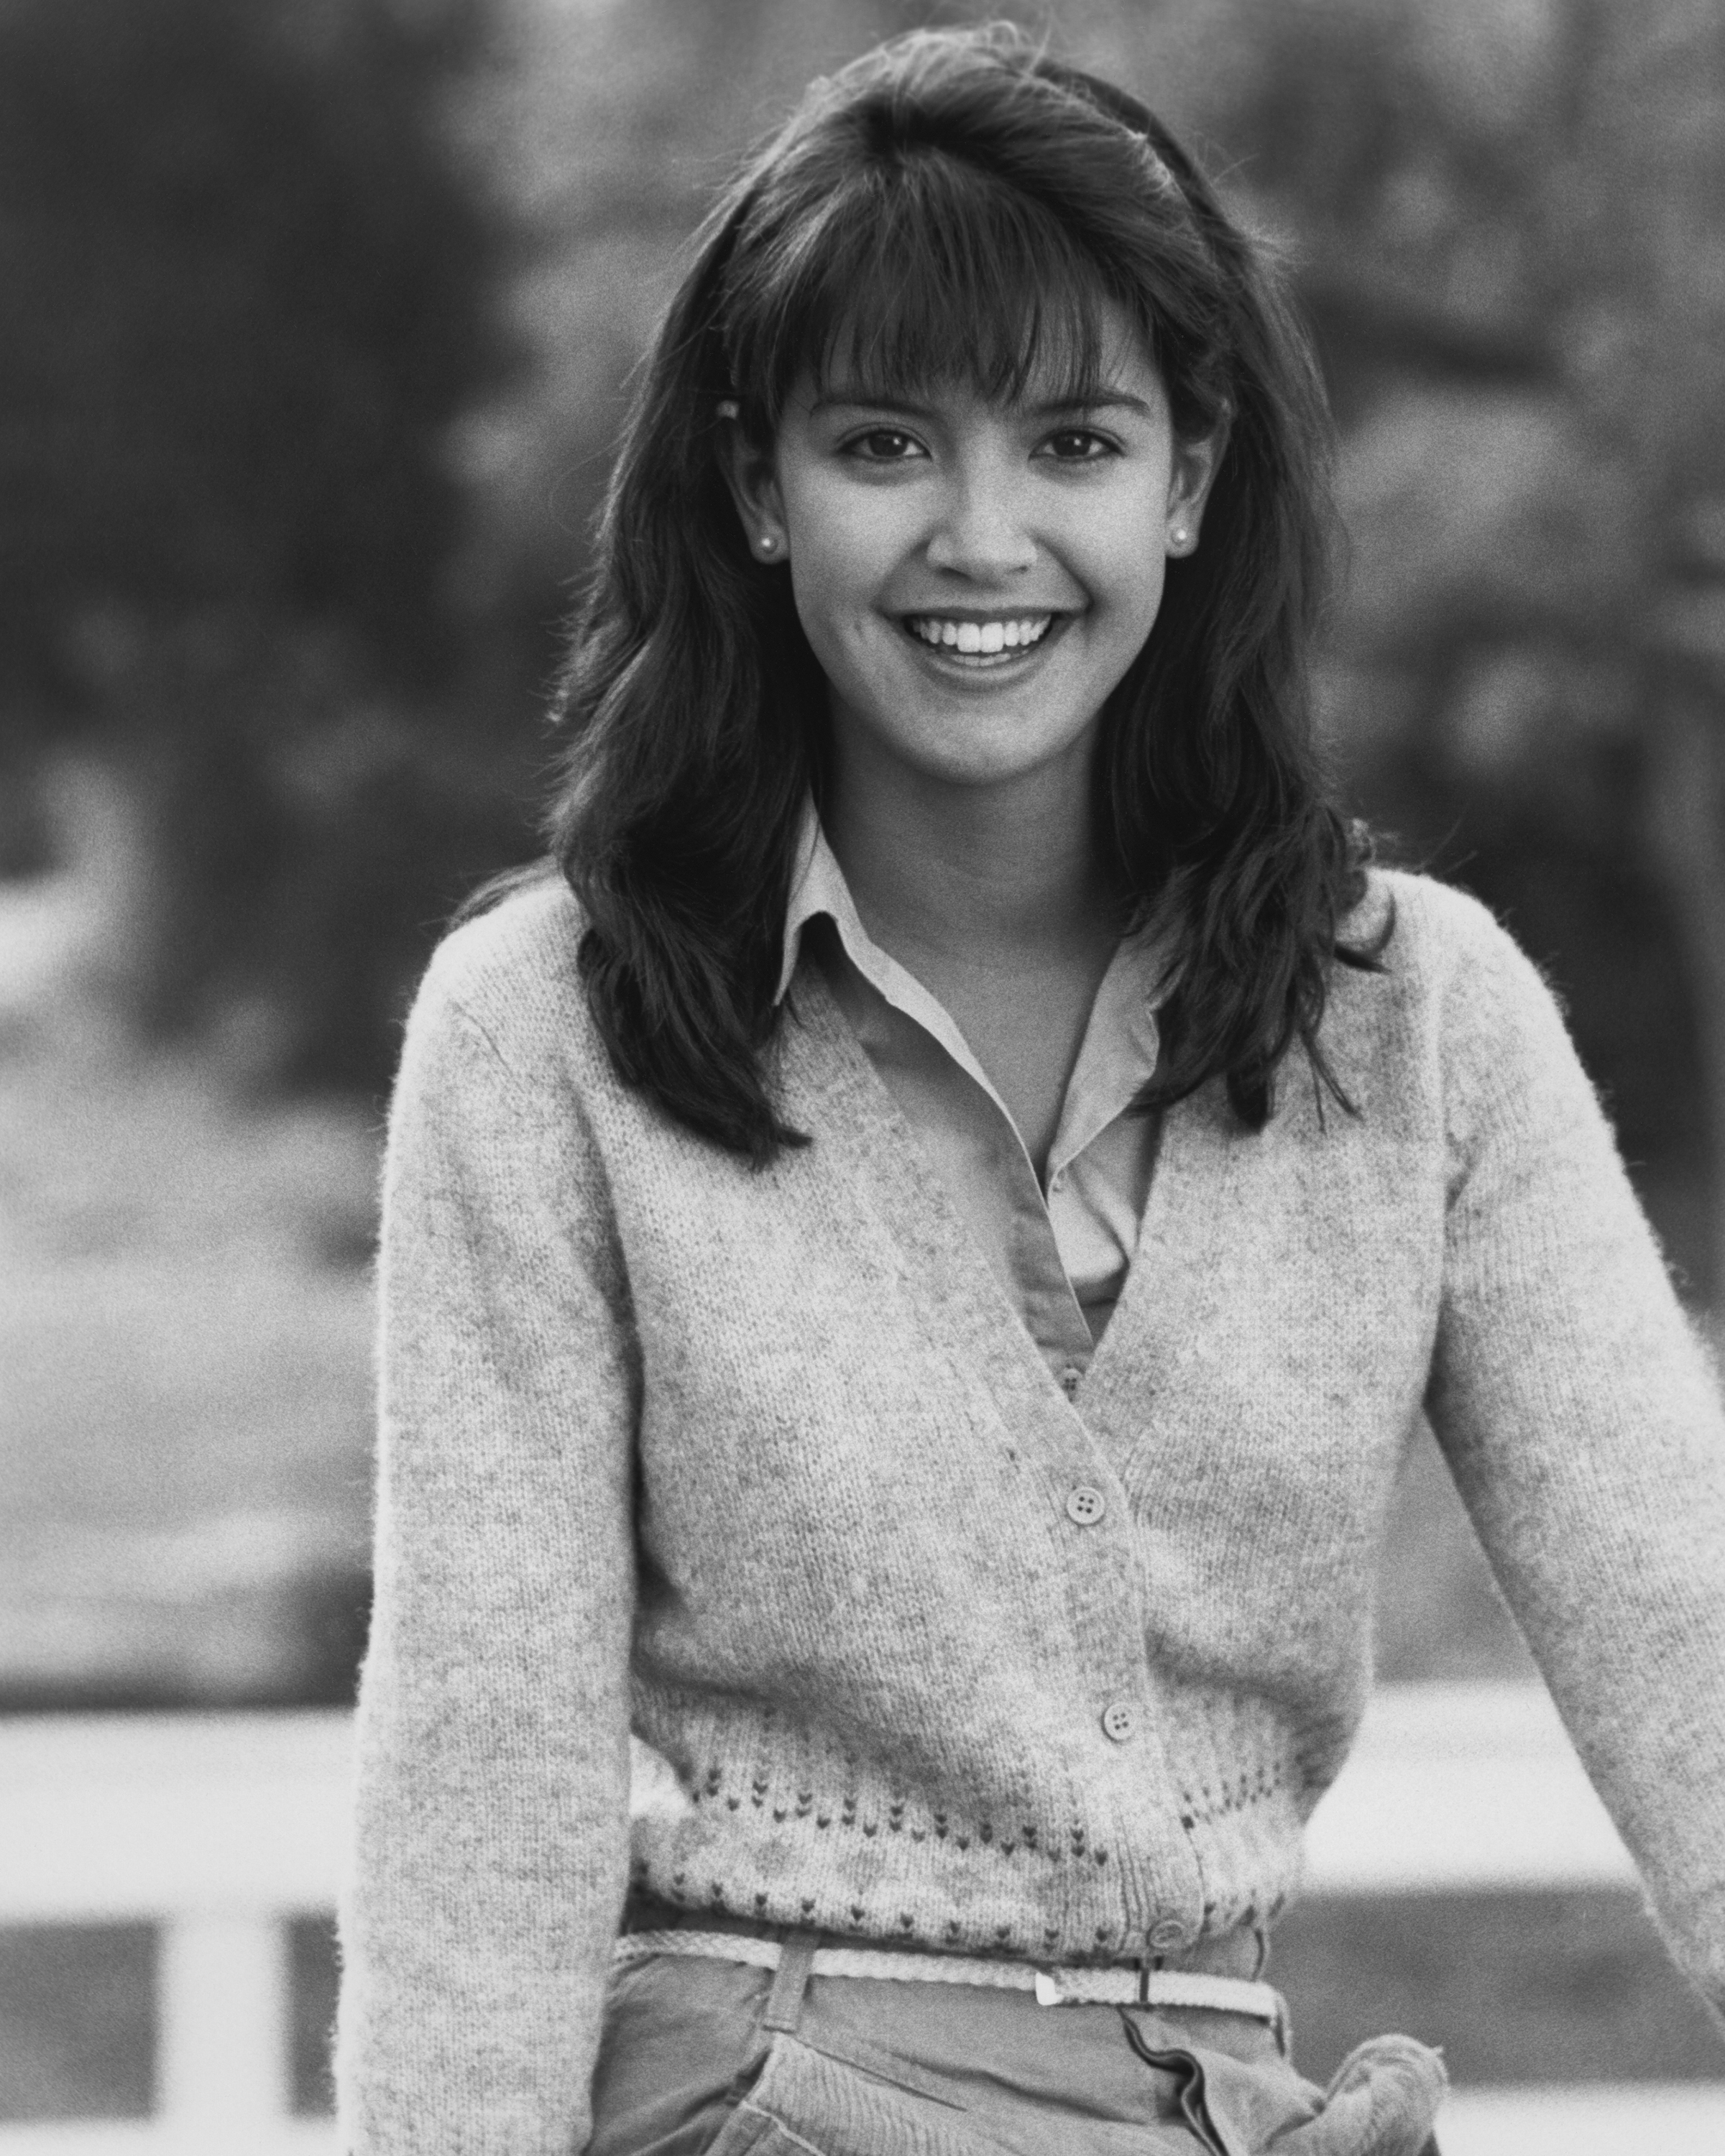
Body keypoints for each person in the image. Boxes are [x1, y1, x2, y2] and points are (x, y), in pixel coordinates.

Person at [335, 25, 1725, 2155]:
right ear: (751, 485)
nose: (983, 538)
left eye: (1073, 441)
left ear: (1186, 478)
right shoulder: (548, 1034)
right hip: (757, 2104)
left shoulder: (1421, 1022)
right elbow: (481, 1784)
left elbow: (1689, 1646)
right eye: (885, 444)